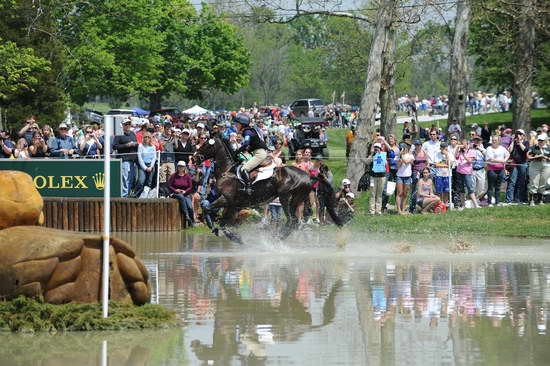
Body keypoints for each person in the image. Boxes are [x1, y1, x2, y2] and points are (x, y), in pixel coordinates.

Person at [235, 115, 268, 189]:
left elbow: (246, 143)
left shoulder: (247, 132)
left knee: (244, 169)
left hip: (259, 154)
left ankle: (248, 188)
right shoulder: (248, 131)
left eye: (237, 124)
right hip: (257, 153)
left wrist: (238, 150)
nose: (236, 125)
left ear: (242, 124)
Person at [113, 119, 139, 198]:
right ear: (123, 125)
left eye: (129, 124)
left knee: (131, 179)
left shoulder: (133, 134)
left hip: (133, 160)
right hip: (124, 160)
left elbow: (136, 145)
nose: (128, 126)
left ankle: (127, 195)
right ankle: (124, 197)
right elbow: (114, 146)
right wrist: (126, 145)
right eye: (126, 124)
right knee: (125, 179)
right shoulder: (119, 134)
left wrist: (136, 144)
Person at [506, 129, 529, 204]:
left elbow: (525, 150)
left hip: (522, 164)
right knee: (512, 182)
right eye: (517, 134)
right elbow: (510, 151)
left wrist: (519, 142)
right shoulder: (513, 142)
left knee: (521, 182)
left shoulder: (526, 142)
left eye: (520, 134)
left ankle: (519, 199)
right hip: (514, 164)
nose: (518, 135)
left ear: (523, 135)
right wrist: (513, 141)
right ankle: (509, 200)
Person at [485, 135, 510, 206]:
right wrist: (501, 161)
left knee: (498, 187)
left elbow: (508, 154)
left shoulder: (502, 148)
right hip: (492, 170)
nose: (494, 141)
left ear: (499, 141)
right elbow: (491, 159)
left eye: (495, 140)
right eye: (493, 140)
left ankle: (497, 202)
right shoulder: (489, 148)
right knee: (490, 187)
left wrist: (505, 160)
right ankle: (489, 202)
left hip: (500, 169)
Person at [169, 160, 195, 227]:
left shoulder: (187, 176)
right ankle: (186, 215)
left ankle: (192, 221)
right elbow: (169, 186)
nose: (181, 168)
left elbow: (190, 186)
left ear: (184, 167)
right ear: (177, 167)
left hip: (185, 194)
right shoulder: (173, 175)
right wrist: (175, 190)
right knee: (180, 196)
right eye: (179, 166)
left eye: (182, 166)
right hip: (175, 193)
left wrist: (185, 191)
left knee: (190, 207)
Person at [455, 139, 479, 208]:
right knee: (461, 189)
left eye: (464, 144)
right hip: (459, 172)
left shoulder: (471, 151)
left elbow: (469, 161)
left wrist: (464, 154)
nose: (463, 146)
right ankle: (463, 205)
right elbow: (456, 157)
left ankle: (476, 205)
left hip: (467, 172)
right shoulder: (460, 151)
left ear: (467, 144)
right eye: (462, 144)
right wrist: (457, 147)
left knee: (470, 189)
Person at [527, 133, 550, 206]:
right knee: (534, 182)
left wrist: (547, 158)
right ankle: (531, 201)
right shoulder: (533, 147)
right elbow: (528, 157)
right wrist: (537, 156)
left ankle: (540, 200)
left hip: (546, 165)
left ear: (545, 140)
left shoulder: (548, 148)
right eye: (539, 140)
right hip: (535, 165)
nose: (541, 141)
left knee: (543, 182)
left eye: (542, 140)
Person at [367, 143, 387, 215]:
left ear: (380, 148)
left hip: (381, 177)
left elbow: (385, 163)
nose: (376, 149)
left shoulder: (383, 155)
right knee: (372, 194)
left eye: (377, 148)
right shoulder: (372, 155)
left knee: (379, 194)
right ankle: (372, 211)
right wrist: (372, 154)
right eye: (375, 147)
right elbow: (367, 162)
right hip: (373, 177)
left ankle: (378, 211)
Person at [136, 132, 157, 198]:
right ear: (143, 138)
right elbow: (140, 158)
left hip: (151, 165)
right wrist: (145, 168)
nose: (147, 138)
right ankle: (137, 194)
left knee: (149, 182)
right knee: (141, 180)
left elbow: (154, 157)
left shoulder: (153, 146)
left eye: (148, 137)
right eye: (145, 137)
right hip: (142, 165)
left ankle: (147, 196)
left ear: (150, 138)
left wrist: (151, 166)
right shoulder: (140, 146)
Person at [396, 143, 414, 214]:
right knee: (399, 193)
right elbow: (398, 166)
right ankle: (399, 210)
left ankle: (403, 209)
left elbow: (407, 162)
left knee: (405, 193)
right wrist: (400, 157)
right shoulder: (398, 156)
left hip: (407, 176)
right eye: (400, 148)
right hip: (400, 176)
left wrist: (402, 156)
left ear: (406, 148)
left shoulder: (410, 155)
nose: (401, 150)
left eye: (402, 148)